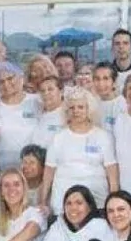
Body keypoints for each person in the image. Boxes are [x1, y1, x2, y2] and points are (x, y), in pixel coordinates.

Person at [39, 87, 118, 216]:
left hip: (97, 201)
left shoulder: (103, 136)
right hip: (62, 203)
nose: (76, 111)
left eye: (81, 107)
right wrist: (42, 201)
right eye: (72, 108)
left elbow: (112, 173)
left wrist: (113, 200)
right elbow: (48, 174)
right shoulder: (58, 137)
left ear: (89, 109)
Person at [0, 62, 39, 169]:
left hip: (32, 168)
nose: (6, 84)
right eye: (1, 81)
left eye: (10, 78)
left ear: (21, 78)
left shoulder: (37, 101)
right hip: (0, 168)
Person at [31, 76, 66, 156]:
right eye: (42, 91)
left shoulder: (68, 115)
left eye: (50, 89)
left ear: (61, 91)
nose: (46, 93)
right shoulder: (40, 114)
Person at [90, 64, 124, 134]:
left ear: (114, 82)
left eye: (106, 79)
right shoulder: (91, 105)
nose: (101, 84)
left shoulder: (123, 105)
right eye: (97, 79)